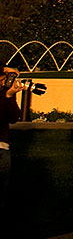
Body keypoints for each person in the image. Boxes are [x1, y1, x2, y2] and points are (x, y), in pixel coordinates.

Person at [0, 67, 22, 203]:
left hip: (2, 147)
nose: (4, 83)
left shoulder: (5, 93)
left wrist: (10, 96)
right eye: (2, 80)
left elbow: (14, 117)